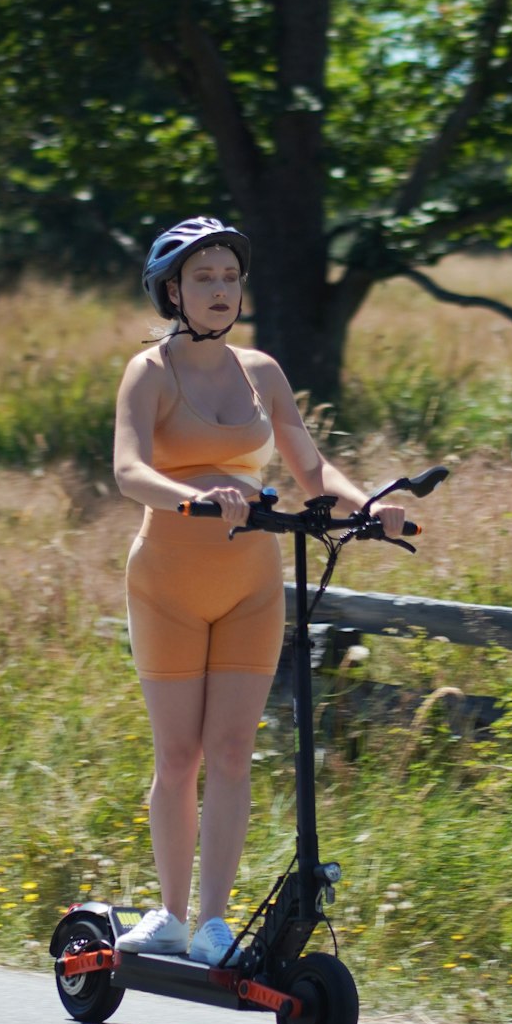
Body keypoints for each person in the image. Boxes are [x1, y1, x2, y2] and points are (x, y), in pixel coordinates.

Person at [112, 216, 407, 966]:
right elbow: (129, 470)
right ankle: (170, 914)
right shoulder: (150, 371)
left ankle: (214, 922)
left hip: (249, 586)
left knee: (234, 749)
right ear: (172, 290)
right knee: (179, 755)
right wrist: (197, 496)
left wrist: (367, 507)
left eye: (230, 276)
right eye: (203, 277)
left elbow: (312, 472)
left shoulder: (262, 372)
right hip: (167, 586)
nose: (220, 289)